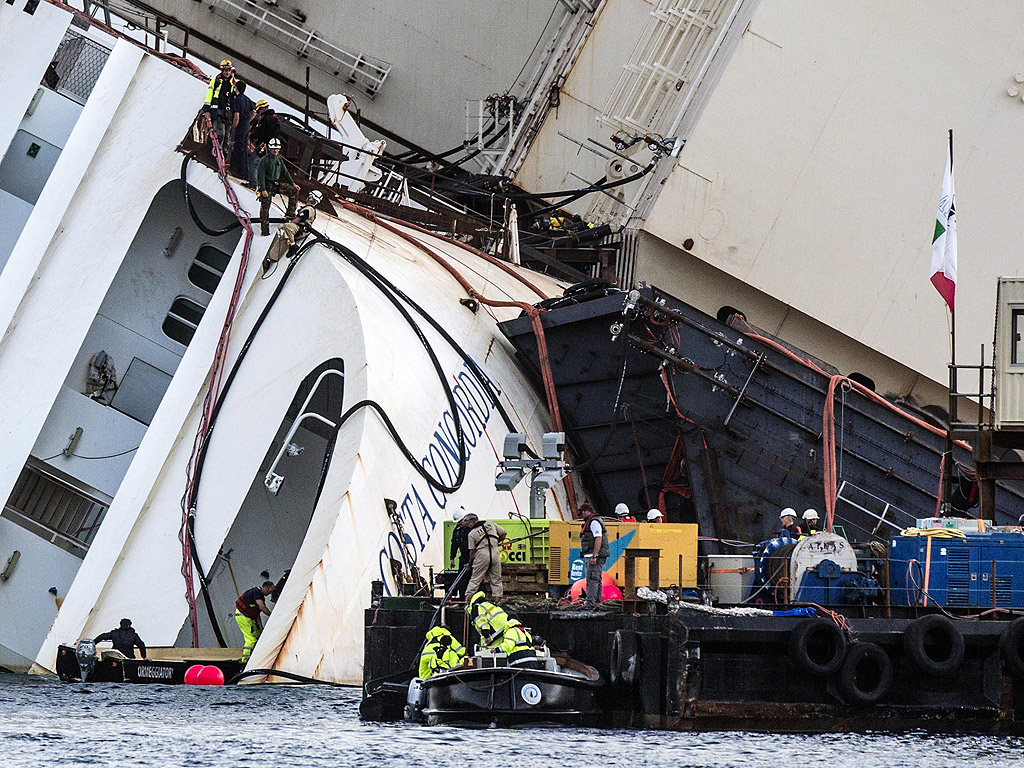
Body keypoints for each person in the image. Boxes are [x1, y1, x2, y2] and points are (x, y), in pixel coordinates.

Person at [263, 189, 321, 269]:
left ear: (311, 198)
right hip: (297, 229)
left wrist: (286, 225)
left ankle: (293, 245)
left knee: (287, 226)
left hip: (300, 231)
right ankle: (271, 258)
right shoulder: (309, 209)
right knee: (283, 239)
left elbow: (297, 220)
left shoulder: (308, 210)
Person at [256, 138, 298, 237]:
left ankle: (290, 214)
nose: (275, 151)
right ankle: (264, 231)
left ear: (279, 149)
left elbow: (285, 172)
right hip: (267, 186)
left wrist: (293, 184)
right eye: (273, 149)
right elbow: (260, 176)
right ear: (270, 149)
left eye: (277, 149)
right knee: (265, 209)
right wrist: (263, 190)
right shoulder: (264, 161)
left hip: (275, 184)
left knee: (294, 191)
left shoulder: (279, 159)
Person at [465, 513, 507, 599]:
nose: (468, 526)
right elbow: (504, 533)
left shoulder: (472, 534)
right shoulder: (491, 524)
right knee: (496, 578)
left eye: (468, 523)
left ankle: (468, 598)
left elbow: (472, 551)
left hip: (482, 554)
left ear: (472, 522)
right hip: (495, 552)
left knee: (475, 579)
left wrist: (470, 564)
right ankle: (497, 599)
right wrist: (496, 542)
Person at [580, 501, 609, 609]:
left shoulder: (594, 522)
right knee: (596, 579)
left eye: (582, 513)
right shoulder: (594, 521)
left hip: (596, 556)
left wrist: (594, 556)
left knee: (592, 579)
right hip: (596, 555)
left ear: (587, 511)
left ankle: (590, 604)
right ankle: (596, 603)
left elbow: (598, 538)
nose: (581, 516)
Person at [235, 581, 274, 659]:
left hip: (248, 617)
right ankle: (245, 660)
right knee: (251, 639)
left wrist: (261, 627)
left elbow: (256, 614)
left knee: (257, 634)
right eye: (270, 591)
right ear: (267, 588)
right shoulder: (257, 592)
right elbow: (261, 607)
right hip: (243, 617)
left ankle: (257, 656)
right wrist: (272, 616)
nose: (270, 594)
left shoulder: (258, 594)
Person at [203, 59, 235, 153]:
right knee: (220, 133)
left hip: (228, 113)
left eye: (229, 70)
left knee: (227, 135)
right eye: (226, 70)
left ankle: (223, 151)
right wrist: (207, 110)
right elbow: (209, 95)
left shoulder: (232, 83)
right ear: (222, 71)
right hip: (217, 111)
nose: (227, 72)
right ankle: (216, 150)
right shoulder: (215, 81)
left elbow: (233, 98)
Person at [231, 81, 254, 181]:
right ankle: (245, 172)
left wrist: (234, 126)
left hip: (240, 124)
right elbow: (254, 112)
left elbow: (236, 115)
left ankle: (240, 172)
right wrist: (248, 120)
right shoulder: (247, 99)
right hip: (246, 124)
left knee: (238, 147)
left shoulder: (237, 100)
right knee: (244, 148)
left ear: (237, 88)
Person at [448, 505, 472, 600]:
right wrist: (452, 558)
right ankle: (462, 599)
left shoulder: (471, 529)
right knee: (462, 580)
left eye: (460, 521)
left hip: (473, 557)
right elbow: (454, 543)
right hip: (464, 557)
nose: (459, 524)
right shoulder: (457, 530)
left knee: (474, 579)